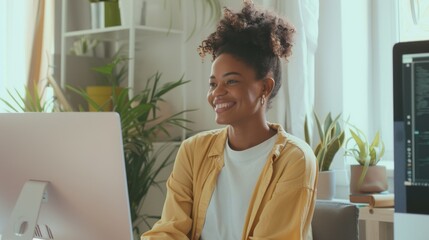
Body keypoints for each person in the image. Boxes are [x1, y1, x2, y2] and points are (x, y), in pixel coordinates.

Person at [142, 1, 317, 239]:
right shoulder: (193, 151)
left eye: (231, 81)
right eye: (213, 84)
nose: (216, 93)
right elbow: (170, 229)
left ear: (264, 87)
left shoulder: (294, 159)